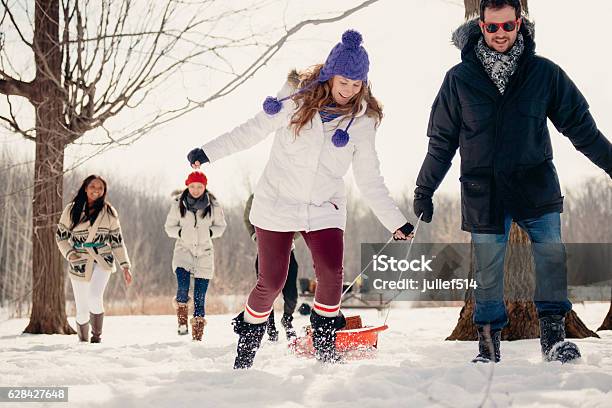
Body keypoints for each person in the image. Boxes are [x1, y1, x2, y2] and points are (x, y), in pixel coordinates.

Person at [188, 29, 414, 369]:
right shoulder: (294, 98)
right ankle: (247, 346)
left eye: (357, 84)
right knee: (272, 281)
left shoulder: (363, 121)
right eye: (345, 81)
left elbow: (370, 179)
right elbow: (251, 130)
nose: (350, 90)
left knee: (331, 273)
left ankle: (325, 348)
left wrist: (396, 220)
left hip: (324, 207)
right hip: (277, 203)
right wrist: (207, 152)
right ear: (330, 73)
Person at [413, 0, 612, 363]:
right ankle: (488, 347)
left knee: (551, 257)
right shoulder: (459, 80)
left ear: (519, 24)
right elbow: (441, 141)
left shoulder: (543, 73)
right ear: (481, 27)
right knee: (488, 273)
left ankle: (553, 339)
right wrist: (424, 189)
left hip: (535, 185)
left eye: (508, 26)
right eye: (493, 27)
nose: (500, 34)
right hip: (483, 191)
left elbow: (580, 126)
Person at [56, 175, 132, 343]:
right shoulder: (71, 210)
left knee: (94, 297)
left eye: (100, 188)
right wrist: (71, 255)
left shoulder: (109, 212)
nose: (96, 190)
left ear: (104, 191)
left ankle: (96, 338)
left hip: (102, 260)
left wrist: (125, 266)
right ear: (85, 188)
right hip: (79, 262)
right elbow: (61, 238)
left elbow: (117, 241)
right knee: (82, 309)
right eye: (93, 187)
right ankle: (83, 342)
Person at [164, 171, 227, 341]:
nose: (196, 190)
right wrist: (181, 232)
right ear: (187, 185)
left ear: (205, 186)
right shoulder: (178, 204)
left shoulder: (213, 205)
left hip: (205, 254)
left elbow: (221, 226)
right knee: (183, 288)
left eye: (199, 186)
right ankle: (182, 322)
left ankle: (197, 337)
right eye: (192, 186)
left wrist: (209, 232)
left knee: (200, 297)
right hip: (183, 252)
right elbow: (169, 227)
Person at [244, 193, 298, 341]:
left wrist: (290, 237)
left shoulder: (293, 194)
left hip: (288, 250)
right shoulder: (258, 194)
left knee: (292, 294)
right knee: (267, 292)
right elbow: (248, 217)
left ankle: (287, 320)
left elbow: (301, 221)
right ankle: (271, 327)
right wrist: (255, 236)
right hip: (265, 251)